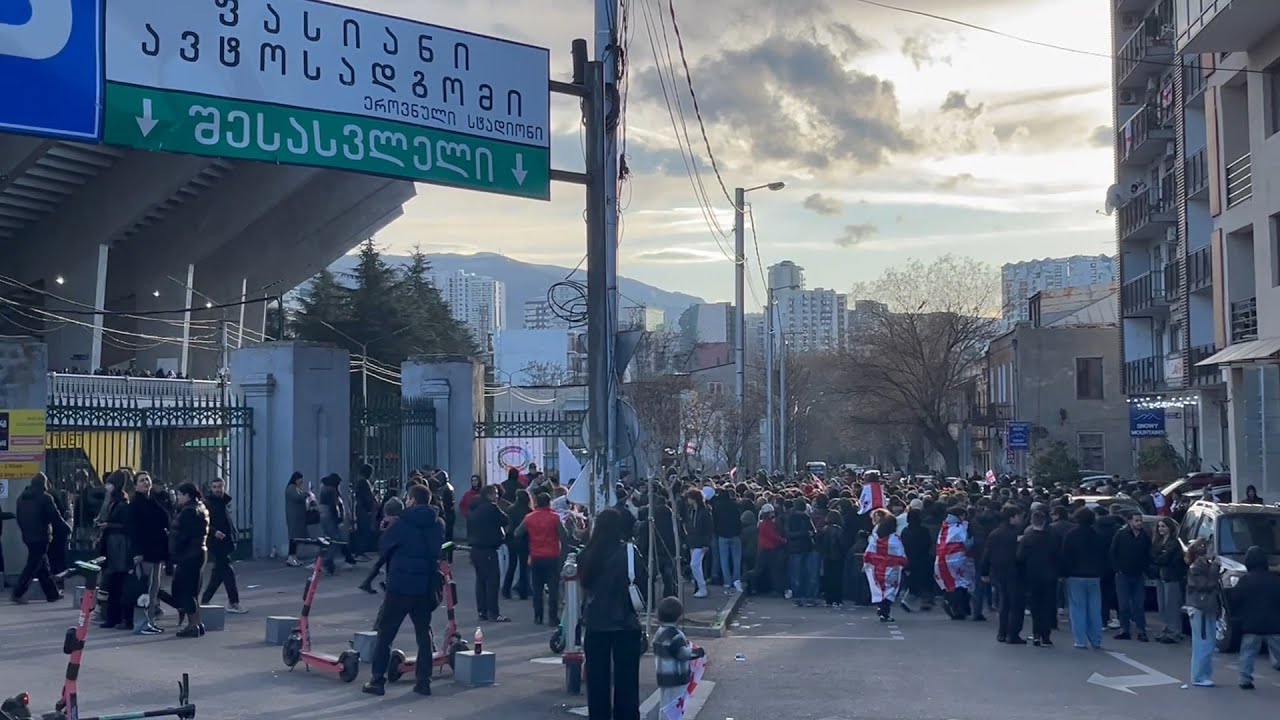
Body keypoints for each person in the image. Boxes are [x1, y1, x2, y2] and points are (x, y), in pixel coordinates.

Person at [362, 483, 443, 697]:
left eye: (408, 499)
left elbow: (384, 547)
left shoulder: (402, 524)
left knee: (386, 634)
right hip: (425, 586)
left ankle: (377, 681)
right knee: (423, 635)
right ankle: (423, 682)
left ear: (413, 500)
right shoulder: (438, 524)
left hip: (400, 586)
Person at [579, 508, 644, 720]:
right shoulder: (629, 552)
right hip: (625, 621)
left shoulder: (587, 554)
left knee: (597, 681)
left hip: (596, 621)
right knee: (627, 680)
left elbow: (585, 584)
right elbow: (643, 581)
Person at [160, 483, 209, 638]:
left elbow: (184, 536)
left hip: (189, 555)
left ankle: (193, 624)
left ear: (187, 495)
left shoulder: (189, 511)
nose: (178, 498)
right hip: (198, 552)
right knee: (192, 590)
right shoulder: (200, 508)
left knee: (186, 591)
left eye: (180, 495)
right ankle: (196, 623)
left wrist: (172, 540)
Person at [514, 492, 571, 625]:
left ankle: (538, 616)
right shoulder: (555, 518)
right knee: (553, 589)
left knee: (537, 588)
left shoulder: (529, 517)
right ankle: (552, 617)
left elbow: (517, 532)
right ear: (549, 502)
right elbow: (564, 536)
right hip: (552, 556)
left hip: (536, 556)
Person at [1232, 545, 1280, 689]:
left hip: (1251, 623)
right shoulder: (1275, 580)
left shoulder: (1245, 581)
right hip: (1274, 623)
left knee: (1248, 653)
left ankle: (1245, 679)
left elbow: (1235, 599)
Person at [128, 472, 170, 635]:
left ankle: (150, 621)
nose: (146, 482)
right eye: (141, 480)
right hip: (144, 552)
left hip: (156, 551)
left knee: (154, 589)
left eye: (147, 479)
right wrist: (137, 552)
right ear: (136, 485)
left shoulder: (153, 500)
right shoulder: (136, 504)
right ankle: (140, 623)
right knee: (143, 589)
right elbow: (134, 531)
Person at [11, 472, 63, 604]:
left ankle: (53, 594)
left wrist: (25, 531)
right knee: (33, 565)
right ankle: (18, 592)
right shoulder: (45, 498)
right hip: (41, 536)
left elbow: (19, 518)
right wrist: (67, 528)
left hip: (28, 536)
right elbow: (55, 517)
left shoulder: (21, 498)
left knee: (42, 566)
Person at [1061, 507, 1106, 649]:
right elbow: (1103, 556)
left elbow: (1065, 556)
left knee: (1077, 609)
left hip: (1075, 575)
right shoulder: (1098, 535)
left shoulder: (1070, 535)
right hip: (1094, 575)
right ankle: (1096, 639)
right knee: (1094, 609)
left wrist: (1064, 573)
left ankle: (1080, 640)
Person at [981, 504, 1026, 644]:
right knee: (1016, 604)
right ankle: (1013, 634)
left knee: (1004, 602)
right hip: (1015, 571)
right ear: (1012, 518)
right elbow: (1021, 555)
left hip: (998, 571)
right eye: (1019, 516)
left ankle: (1002, 632)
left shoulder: (995, 533)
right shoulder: (1017, 535)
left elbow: (987, 554)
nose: (1021, 519)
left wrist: (984, 571)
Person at [652, 596, 705, 714]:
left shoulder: (659, 633)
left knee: (666, 705)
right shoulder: (675, 635)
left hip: (663, 676)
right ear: (679, 616)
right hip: (676, 677)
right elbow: (683, 654)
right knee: (674, 707)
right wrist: (697, 652)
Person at [201, 478, 246, 614]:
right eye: (214, 487)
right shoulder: (208, 503)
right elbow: (204, 523)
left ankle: (204, 600)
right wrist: (215, 533)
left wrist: (234, 534)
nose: (217, 489)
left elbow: (227, 521)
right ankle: (233, 602)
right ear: (211, 488)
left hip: (225, 541)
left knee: (218, 574)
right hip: (216, 543)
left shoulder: (222, 502)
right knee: (228, 571)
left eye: (219, 486)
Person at [467, 485, 510, 622]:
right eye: (495, 494)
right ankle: (493, 612)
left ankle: (482, 611)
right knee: (492, 581)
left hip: (475, 549)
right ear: (489, 495)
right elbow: (505, 520)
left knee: (480, 581)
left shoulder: (474, 508)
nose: (497, 496)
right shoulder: (491, 508)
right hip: (488, 548)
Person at [97, 471, 134, 630]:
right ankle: (112, 617)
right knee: (112, 583)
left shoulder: (123, 504)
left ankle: (117, 617)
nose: (107, 486)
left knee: (117, 582)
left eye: (110, 483)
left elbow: (127, 526)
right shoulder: (112, 501)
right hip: (111, 544)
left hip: (119, 546)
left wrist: (108, 525)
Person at [1018, 510, 1059, 647]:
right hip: (1050, 575)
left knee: (1035, 606)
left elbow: (1020, 558)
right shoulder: (1052, 538)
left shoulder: (1027, 538)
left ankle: (1036, 634)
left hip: (1032, 575)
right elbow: (1058, 556)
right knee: (1047, 605)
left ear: (1032, 522)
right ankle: (1046, 635)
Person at [1110, 510, 1151, 642]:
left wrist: (1145, 568)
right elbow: (1113, 552)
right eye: (1136, 520)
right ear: (1129, 521)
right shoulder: (1121, 534)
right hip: (1123, 574)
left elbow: (1148, 553)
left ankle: (1141, 630)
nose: (1139, 523)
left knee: (1139, 604)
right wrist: (1117, 569)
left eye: (1140, 520)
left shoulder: (1144, 536)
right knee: (1123, 604)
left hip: (1138, 574)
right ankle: (1124, 629)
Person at [1183, 538, 1219, 687]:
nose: (1214, 552)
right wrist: (1215, 568)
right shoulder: (1196, 568)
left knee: (1208, 642)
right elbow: (1206, 585)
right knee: (1203, 643)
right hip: (1200, 608)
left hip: (1206, 607)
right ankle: (1198, 676)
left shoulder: (1203, 566)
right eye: (1211, 549)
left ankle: (1203, 674)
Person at [863, 516, 907, 622]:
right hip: (892, 569)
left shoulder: (875, 538)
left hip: (877, 568)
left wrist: (867, 563)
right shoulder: (895, 539)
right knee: (890, 591)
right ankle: (884, 611)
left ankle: (882, 609)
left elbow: (868, 552)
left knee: (880, 589)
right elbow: (900, 553)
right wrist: (904, 564)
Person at [935, 507, 973, 620]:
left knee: (950, 584)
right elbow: (966, 543)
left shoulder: (945, 527)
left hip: (942, 558)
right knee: (960, 583)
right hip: (957, 558)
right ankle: (957, 608)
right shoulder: (960, 527)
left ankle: (951, 602)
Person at [1151, 517, 1185, 644]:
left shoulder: (1174, 542)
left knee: (1172, 606)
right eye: (1159, 526)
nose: (1161, 529)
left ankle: (1174, 632)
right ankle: (1166, 628)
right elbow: (1153, 555)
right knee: (1163, 606)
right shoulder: (1157, 541)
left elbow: (1165, 558)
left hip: (1172, 577)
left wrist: (1159, 557)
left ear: (1170, 528)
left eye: (1163, 526)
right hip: (1160, 576)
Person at [785, 498, 819, 608]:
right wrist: (805, 533)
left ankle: (798, 597)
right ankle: (807, 597)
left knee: (796, 574)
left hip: (795, 548)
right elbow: (813, 532)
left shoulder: (791, 518)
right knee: (807, 573)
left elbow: (788, 533)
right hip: (806, 547)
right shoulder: (805, 517)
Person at [711, 487, 744, 592]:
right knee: (736, 559)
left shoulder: (717, 507)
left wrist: (717, 531)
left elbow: (714, 522)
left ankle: (727, 581)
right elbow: (739, 520)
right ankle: (736, 580)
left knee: (724, 560)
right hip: (735, 535)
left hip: (722, 536)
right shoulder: (735, 506)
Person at [502, 489, 531, 601]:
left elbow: (507, 525)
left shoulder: (510, 510)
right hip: (524, 541)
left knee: (512, 566)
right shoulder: (529, 511)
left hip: (512, 541)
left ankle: (506, 590)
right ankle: (523, 592)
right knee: (524, 568)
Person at [684, 489, 713, 599]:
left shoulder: (704, 511)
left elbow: (709, 528)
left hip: (700, 542)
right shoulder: (692, 511)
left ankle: (702, 587)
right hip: (693, 541)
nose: (688, 500)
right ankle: (700, 587)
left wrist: (706, 543)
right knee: (697, 565)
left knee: (694, 564)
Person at [819, 510, 846, 609]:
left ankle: (828, 600)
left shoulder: (824, 529)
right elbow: (842, 544)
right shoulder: (839, 530)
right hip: (837, 557)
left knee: (828, 578)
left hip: (827, 556)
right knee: (837, 579)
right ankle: (837, 599)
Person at [284, 472, 310, 567]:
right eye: (300, 479)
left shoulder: (297, 488)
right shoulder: (291, 488)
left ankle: (294, 557)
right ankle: (291, 557)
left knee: (296, 537)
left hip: (298, 516)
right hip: (293, 516)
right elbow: (297, 497)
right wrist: (306, 495)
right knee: (293, 537)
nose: (301, 481)